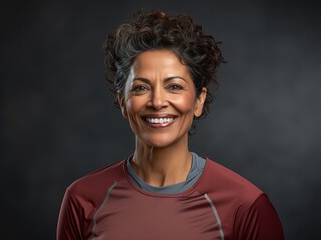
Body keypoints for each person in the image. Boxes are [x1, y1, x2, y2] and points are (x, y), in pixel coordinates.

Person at [57, 10, 284, 240]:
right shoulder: (83, 199)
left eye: (174, 86)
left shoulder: (245, 206)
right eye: (141, 88)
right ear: (123, 102)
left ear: (198, 100)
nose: (157, 102)